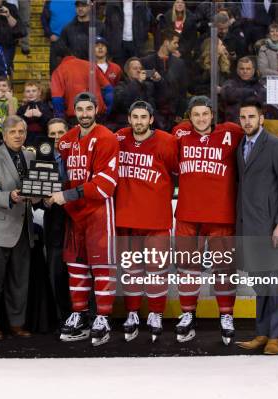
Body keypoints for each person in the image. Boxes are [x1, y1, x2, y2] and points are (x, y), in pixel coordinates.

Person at [46, 92, 119, 347]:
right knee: (76, 266)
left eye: (89, 109)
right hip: (73, 214)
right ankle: (79, 314)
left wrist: (65, 194)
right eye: (80, 110)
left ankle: (102, 318)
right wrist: (47, 192)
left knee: (101, 266)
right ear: (73, 111)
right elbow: (58, 175)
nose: (85, 114)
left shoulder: (107, 138)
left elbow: (105, 186)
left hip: (98, 212)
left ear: (96, 109)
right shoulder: (65, 141)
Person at [171, 96, 244, 345]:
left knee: (223, 269)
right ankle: (188, 315)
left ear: (212, 115)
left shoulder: (231, 133)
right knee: (187, 269)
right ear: (188, 117)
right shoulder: (180, 134)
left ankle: (226, 316)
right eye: (195, 115)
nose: (200, 119)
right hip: (187, 215)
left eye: (205, 114)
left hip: (221, 215)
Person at [234, 98, 278, 355]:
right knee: (260, 284)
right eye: (243, 117)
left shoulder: (276, 146)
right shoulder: (241, 145)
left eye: (251, 117)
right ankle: (261, 333)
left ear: (261, 119)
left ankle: (275, 336)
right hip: (250, 228)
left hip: (272, 228)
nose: (247, 121)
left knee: (276, 284)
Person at [114, 101, 178, 343]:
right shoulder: (119, 138)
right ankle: (132, 313)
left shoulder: (166, 141)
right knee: (131, 270)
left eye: (143, 117)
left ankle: (155, 314)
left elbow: (177, 170)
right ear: (129, 119)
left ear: (151, 119)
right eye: (135, 117)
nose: (139, 121)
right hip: (127, 218)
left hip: (156, 218)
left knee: (156, 271)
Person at [0, 115, 36, 340]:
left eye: (21, 131)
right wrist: (9, 197)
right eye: (12, 132)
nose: (17, 136)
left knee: (19, 281)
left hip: (24, 227)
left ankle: (16, 323)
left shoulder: (31, 156)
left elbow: (37, 189)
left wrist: (41, 196)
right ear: (3, 135)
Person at [43, 118, 71, 324]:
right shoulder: (41, 159)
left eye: (60, 132)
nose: (56, 138)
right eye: (52, 134)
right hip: (54, 223)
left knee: (80, 272)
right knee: (56, 272)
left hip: (77, 219)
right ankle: (62, 319)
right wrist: (43, 200)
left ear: (68, 133)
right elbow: (36, 198)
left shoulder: (78, 155)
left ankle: (85, 316)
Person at [50, 44, 113, 121]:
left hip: (76, 117)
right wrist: (107, 111)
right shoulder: (90, 65)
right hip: (97, 114)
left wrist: (60, 120)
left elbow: (57, 100)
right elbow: (109, 89)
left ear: (57, 58)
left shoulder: (58, 71)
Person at [140, 30, 188, 131]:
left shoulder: (179, 64)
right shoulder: (146, 61)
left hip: (172, 114)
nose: (177, 46)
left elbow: (182, 91)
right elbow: (142, 87)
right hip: (151, 113)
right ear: (166, 42)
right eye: (175, 42)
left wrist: (180, 113)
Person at [110, 58, 157, 131]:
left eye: (140, 68)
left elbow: (155, 104)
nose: (139, 71)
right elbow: (123, 103)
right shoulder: (120, 86)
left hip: (147, 124)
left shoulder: (148, 86)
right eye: (135, 68)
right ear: (128, 71)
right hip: (126, 124)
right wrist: (137, 83)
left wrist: (159, 81)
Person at [103, 0, 150, 67]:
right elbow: (108, 24)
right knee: (119, 69)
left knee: (136, 69)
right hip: (118, 43)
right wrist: (112, 41)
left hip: (136, 43)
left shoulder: (141, 4)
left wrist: (142, 37)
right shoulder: (112, 4)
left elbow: (145, 22)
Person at [220, 57, 266, 122]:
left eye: (248, 69)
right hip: (234, 125)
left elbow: (261, 101)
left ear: (253, 70)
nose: (245, 71)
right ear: (237, 70)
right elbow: (228, 95)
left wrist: (239, 94)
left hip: (254, 125)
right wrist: (252, 92)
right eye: (242, 69)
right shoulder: (230, 83)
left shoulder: (259, 85)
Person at [41, 0, 76, 71]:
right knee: (55, 70)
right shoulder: (50, 2)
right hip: (57, 40)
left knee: (73, 70)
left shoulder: (78, 2)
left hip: (74, 41)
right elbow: (44, 19)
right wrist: (50, 34)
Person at [17, 81, 53, 148]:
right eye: (28, 91)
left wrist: (40, 115)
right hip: (26, 140)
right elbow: (16, 125)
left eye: (34, 91)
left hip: (43, 139)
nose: (31, 93)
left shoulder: (45, 107)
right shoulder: (21, 108)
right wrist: (25, 116)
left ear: (39, 93)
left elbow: (50, 124)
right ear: (24, 93)